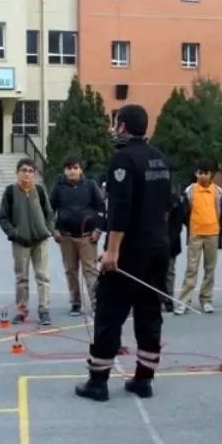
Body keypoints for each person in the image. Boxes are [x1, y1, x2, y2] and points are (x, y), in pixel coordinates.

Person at [75, 104, 172, 402]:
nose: (114, 129)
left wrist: (112, 250)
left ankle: (98, 382)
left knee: (109, 312)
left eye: (116, 123)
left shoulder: (122, 159)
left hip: (130, 249)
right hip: (158, 247)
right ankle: (144, 378)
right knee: (149, 312)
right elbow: (168, 205)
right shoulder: (160, 158)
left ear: (123, 127)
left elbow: (120, 209)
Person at [0, 158, 55, 326]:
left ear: (34, 174)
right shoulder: (10, 192)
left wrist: (49, 229)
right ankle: (22, 311)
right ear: (17, 172)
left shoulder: (39, 190)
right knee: (21, 278)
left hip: (40, 241)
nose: (27, 174)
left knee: (43, 276)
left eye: (30, 171)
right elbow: (3, 218)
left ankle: (44, 311)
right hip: (21, 242)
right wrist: (14, 233)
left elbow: (50, 214)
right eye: (23, 170)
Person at [49, 155, 105, 317]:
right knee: (71, 271)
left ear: (81, 169)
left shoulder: (90, 186)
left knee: (91, 271)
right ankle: (75, 303)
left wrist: (98, 230)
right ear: (64, 170)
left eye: (75, 168)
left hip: (88, 236)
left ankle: (96, 303)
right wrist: (54, 230)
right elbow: (50, 210)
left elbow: (101, 208)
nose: (72, 171)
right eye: (69, 168)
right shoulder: (58, 187)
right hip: (65, 237)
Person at [175, 160, 222, 315]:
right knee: (191, 268)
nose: (203, 176)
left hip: (212, 233)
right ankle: (184, 300)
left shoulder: (218, 192)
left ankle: (206, 299)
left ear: (211, 175)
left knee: (210, 268)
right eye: (200, 173)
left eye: (206, 173)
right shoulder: (190, 191)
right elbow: (184, 211)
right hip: (195, 233)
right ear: (196, 174)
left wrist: (219, 226)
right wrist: (189, 226)